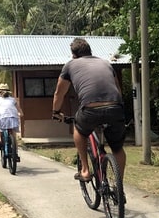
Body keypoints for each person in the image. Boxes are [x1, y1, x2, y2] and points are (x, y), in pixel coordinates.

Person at [52, 37, 127, 183]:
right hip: (115, 108)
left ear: (73, 55)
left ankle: (85, 170)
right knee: (117, 148)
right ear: (90, 51)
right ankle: (119, 186)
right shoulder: (105, 63)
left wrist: (55, 112)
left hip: (90, 110)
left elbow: (59, 93)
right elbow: (118, 89)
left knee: (79, 130)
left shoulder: (70, 65)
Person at [0, 84, 23, 158]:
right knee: (14, 135)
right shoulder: (13, 99)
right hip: (13, 118)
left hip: (2, 119)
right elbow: (20, 111)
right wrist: (20, 114)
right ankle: (15, 153)